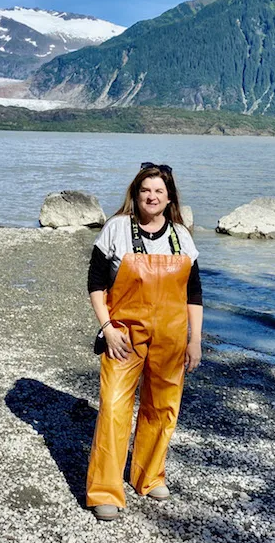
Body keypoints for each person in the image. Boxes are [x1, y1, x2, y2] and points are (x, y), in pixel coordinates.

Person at [85, 162, 203, 521]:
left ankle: (148, 477)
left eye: (159, 192)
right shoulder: (116, 229)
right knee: (114, 408)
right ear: (135, 195)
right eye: (145, 191)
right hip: (124, 336)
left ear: (169, 199)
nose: (151, 197)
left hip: (170, 336)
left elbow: (194, 294)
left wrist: (194, 340)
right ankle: (105, 491)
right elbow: (95, 284)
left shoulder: (182, 236)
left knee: (163, 408)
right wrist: (107, 328)